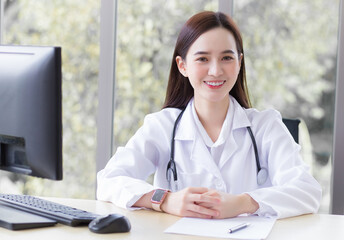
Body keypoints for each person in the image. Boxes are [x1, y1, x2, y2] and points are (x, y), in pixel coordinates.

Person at [97, 11, 322, 219]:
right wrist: (166, 200)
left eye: (226, 58)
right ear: (182, 66)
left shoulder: (265, 126)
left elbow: (307, 191)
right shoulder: (162, 126)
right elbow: (109, 181)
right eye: (203, 59)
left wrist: (244, 203)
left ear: (239, 62)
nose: (215, 70)